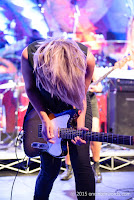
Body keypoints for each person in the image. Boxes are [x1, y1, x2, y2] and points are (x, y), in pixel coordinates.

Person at [21, 37, 95, 200]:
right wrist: (45, 119)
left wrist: (80, 124)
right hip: (44, 104)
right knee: (49, 168)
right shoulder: (29, 55)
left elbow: (82, 93)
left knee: (81, 164)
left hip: (75, 103)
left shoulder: (87, 59)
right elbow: (31, 89)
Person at [61, 67, 103, 183]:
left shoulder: (89, 65)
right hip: (72, 101)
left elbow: (100, 87)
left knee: (95, 134)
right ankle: (68, 168)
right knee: (69, 134)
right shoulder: (66, 66)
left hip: (90, 101)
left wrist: (92, 88)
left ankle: (96, 168)